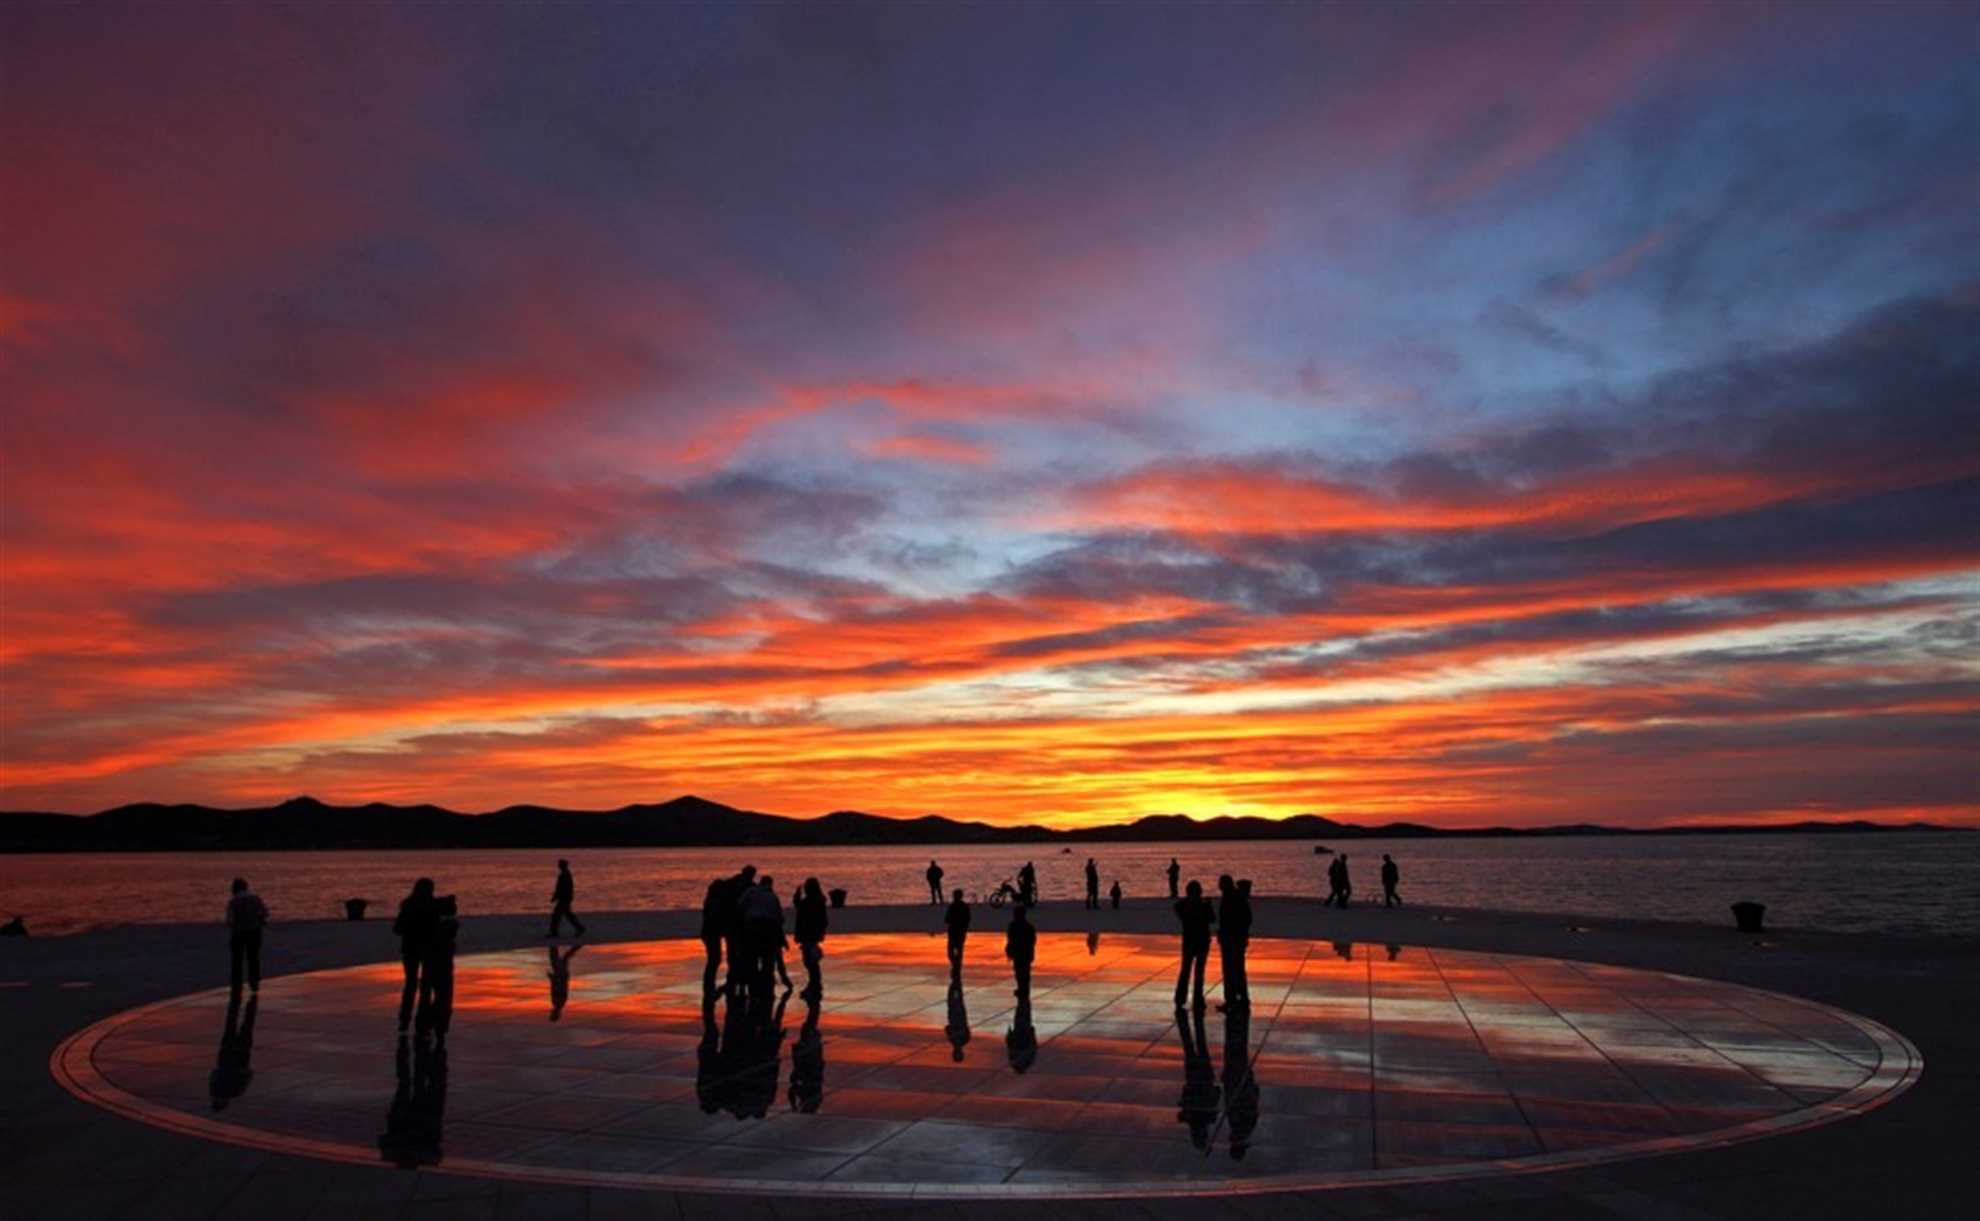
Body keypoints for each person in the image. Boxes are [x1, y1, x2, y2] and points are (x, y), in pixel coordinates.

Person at [392, 878, 438, 1033]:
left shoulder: (408, 905)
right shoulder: (432, 906)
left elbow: (398, 928)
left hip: (410, 949)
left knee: (411, 985)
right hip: (426, 949)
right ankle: (422, 1020)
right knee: (425, 986)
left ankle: (404, 1020)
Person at [1176, 1004, 1219, 1152]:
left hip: (1203, 1078)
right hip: (1196, 1078)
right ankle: (1190, 1022)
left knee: (1199, 1045)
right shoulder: (1195, 1117)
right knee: (1191, 1046)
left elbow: (1216, 1093)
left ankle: (1192, 1022)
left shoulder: (1208, 1117)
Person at [737, 875, 790, 993]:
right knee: (768, 959)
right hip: (768, 928)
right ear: (770, 884)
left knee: (752, 957)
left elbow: (740, 906)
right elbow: (779, 917)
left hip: (751, 927)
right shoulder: (772, 896)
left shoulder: (750, 892)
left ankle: (753, 981)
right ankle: (766, 983)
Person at [417, 895, 459, 1043]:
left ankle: (431, 1023)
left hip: (433, 965)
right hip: (442, 966)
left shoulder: (435, 926)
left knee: (434, 996)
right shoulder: (448, 925)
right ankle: (437, 1024)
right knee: (443, 997)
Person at [710, 864, 757, 994]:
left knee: (735, 953)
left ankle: (735, 979)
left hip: (734, 925)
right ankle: (737, 980)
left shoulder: (733, 885)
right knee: (739, 953)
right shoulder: (748, 887)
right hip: (738, 925)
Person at [1222, 999, 1259, 1160]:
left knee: (1235, 1053)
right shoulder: (1241, 1127)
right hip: (1239, 1084)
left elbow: (1235, 1101)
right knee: (1236, 1053)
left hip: (1237, 1083)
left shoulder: (1239, 1126)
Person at [209, 991, 258, 1111]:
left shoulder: (233, 1092)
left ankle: (249, 1000)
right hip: (231, 1058)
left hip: (235, 1059)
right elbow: (214, 1074)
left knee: (243, 1025)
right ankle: (242, 999)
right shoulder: (221, 1091)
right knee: (236, 1024)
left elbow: (248, 1075)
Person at [1173, 879, 1216, 1009]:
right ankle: (1195, 999)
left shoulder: (1187, 905)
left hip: (1192, 941)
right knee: (1196, 971)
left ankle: (1182, 998)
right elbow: (1212, 919)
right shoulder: (1199, 905)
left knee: (1187, 970)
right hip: (1199, 941)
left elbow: (1211, 919)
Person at [225, 877, 269, 993]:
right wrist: (259, 920)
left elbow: (229, 920)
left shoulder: (234, 901)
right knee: (253, 958)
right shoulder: (255, 899)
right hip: (254, 932)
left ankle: (237, 984)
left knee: (237, 960)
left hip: (238, 933)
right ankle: (254, 984)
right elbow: (265, 913)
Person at [1216, 874, 1251, 1011]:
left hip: (1232, 939)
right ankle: (1241, 998)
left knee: (1231, 970)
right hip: (1235, 939)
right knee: (1238, 970)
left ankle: (1232, 1000)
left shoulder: (1232, 898)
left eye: (1221, 883)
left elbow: (1245, 918)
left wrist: (1233, 932)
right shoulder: (1236, 897)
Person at [789, 988, 824, 1113]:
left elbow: (793, 1090)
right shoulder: (811, 1087)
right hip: (810, 1054)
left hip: (810, 1054)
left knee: (809, 1025)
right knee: (809, 1025)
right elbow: (793, 1090)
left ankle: (814, 1004)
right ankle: (814, 1004)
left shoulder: (811, 1088)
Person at [793, 877, 829, 997]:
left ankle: (814, 984)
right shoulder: (818, 901)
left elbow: (799, 908)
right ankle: (814, 984)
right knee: (811, 961)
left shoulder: (809, 902)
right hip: (814, 933)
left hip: (808, 934)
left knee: (810, 961)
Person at [1005, 903, 1037, 1001]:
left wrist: (1009, 950)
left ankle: (1022, 989)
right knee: (1024, 972)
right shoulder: (1029, 926)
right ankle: (1023, 989)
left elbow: (1010, 939)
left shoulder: (1013, 926)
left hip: (1019, 952)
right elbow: (1032, 940)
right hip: (1025, 952)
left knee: (1020, 972)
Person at [547, 859, 584, 938]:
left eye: (560, 864)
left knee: (556, 915)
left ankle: (554, 933)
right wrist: (555, 897)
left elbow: (562, 888)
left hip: (564, 899)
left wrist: (556, 897)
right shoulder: (565, 874)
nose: (558, 866)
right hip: (565, 898)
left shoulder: (565, 875)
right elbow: (560, 888)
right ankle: (580, 928)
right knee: (568, 914)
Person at [547, 942, 580, 1021]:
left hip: (561, 976)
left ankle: (577, 945)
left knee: (563, 958)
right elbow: (560, 987)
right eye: (552, 1014)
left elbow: (556, 988)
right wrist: (553, 978)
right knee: (558, 958)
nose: (551, 1012)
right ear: (555, 1014)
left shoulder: (557, 1003)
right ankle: (554, 943)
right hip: (561, 976)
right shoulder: (558, 1003)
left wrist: (552, 979)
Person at [944, 888, 971, 975]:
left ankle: (956, 966)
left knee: (955, 951)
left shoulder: (961, 906)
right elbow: (947, 918)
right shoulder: (954, 906)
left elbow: (967, 919)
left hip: (957, 932)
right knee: (953, 952)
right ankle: (956, 965)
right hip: (955, 932)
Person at [944, 977, 972, 1061]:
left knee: (952, 994)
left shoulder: (952, 1040)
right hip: (959, 1012)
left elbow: (947, 1028)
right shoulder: (965, 1039)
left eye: (956, 1053)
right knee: (956, 994)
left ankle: (955, 979)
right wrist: (959, 1030)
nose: (956, 1051)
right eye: (958, 1053)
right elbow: (966, 1028)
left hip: (952, 1012)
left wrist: (952, 1031)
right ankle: (956, 978)